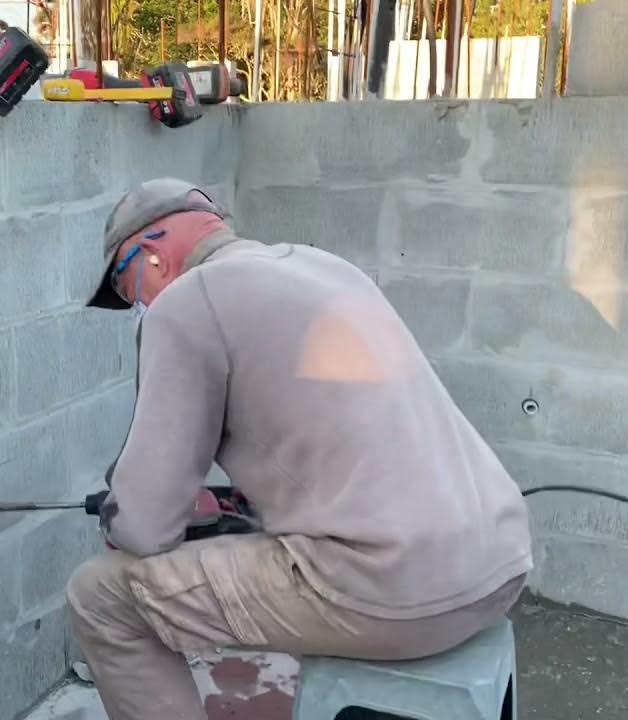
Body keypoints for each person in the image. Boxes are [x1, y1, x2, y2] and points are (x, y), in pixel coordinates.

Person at [68, 178, 533, 720]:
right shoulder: (324, 266)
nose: (139, 305)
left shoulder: (187, 304)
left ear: (150, 256)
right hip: (500, 562)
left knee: (101, 597)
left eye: (127, 291)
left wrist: (120, 517)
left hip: (395, 592)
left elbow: (144, 527)